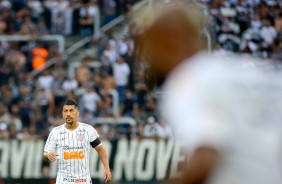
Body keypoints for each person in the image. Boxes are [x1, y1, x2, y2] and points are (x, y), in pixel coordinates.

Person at [130, 0, 282, 184]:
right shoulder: (259, 73)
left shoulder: (191, 77)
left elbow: (206, 157)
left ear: (166, 43)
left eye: (149, 46)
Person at [43, 99, 112, 184]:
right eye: (66, 111)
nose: (68, 114)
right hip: (63, 181)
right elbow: (46, 154)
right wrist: (48, 155)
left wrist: (107, 168)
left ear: (77, 112)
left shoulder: (88, 130)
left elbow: (100, 149)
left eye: (71, 111)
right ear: (62, 113)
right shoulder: (55, 132)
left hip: (83, 181)